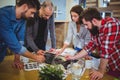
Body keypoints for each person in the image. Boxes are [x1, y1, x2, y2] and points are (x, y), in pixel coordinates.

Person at [66, 8, 120, 80]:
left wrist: (100, 71)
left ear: (94, 21)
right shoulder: (95, 30)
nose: (85, 27)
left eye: (86, 24)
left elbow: (105, 52)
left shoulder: (111, 24)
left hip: (117, 63)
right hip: (109, 65)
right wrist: (73, 57)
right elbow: (89, 47)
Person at [0, 0, 45, 64]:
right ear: (24, 7)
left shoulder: (23, 19)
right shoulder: (2, 15)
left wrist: (17, 58)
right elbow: (14, 44)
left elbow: (20, 41)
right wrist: (35, 57)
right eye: (32, 12)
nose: (32, 16)